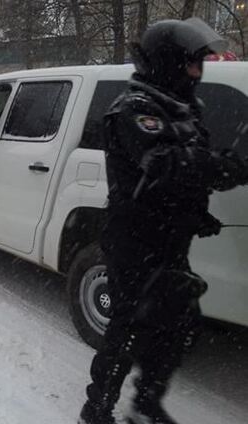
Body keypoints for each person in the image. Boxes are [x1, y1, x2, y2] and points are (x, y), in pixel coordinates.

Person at [78, 18, 248, 424]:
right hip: (135, 239)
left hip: (171, 239)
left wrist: (196, 213)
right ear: (168, 63)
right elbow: (166, 164)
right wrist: (228, 168)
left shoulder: (182, 110)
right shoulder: (134, 109)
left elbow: (183, 178)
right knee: (127, 327)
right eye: (191, 65)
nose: (197, 72)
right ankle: (96, 409)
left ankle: (147, 403)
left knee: (177, 326)